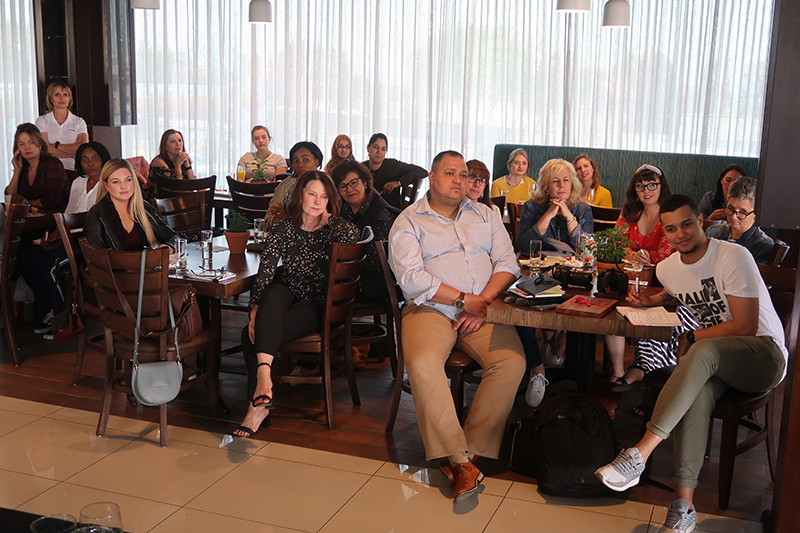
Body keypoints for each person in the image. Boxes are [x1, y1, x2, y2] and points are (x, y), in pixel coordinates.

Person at [595, 195, 787, 533]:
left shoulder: (732, 255)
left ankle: (639, 454)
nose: (680, 233)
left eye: (687, 224)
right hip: (719, 363)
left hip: (763, 355)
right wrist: (651, 299)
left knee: (700, 349)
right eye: (671, 229)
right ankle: (684, 507)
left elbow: (745, 325)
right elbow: (678, 290)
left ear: (701, 221)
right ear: (664, 233)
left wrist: (694, 336)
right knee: (696, 394)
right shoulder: (668, 269)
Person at [389, 150, 526, 502]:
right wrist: (464, 300)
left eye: (463, 174)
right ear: (432, 178)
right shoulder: (408, 221)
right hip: (430, 310)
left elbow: (508, 263)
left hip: (482, 309)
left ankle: (465, 456)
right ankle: (460, 460)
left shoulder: (485, 214)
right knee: (422, 362)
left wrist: (481, 302)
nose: (459, 180)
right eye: (450, 173)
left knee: (512, 362)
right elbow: (411, 278)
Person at [232, 171, 359, 438]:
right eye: (312, 194)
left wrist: (328, 219)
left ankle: (257, 405)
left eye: (324, 197)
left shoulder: (332, 229)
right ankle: (264, 384)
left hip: (317, 303)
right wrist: (254, 309)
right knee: (272, 291)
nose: (317, 201)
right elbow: (266, 271)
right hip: (287, 294)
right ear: (300, 194)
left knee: (248, 337)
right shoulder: (282, 229)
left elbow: (353, 233)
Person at [465, 158, 547, 407]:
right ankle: (466, 378)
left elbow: (504, 254)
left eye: (482, 180)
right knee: (513, 309)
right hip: (465, 289)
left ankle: (538, 370)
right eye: (472, 178)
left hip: (492, 281)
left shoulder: (489, 212)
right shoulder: (449, 211)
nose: (477, 184)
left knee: (518, 306)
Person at [605, 164, 675, 386]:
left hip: (662, 286)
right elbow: (615, 243)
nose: (646, 190)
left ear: (661, 186)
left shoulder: (669, 217)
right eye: (640, 186)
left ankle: (644, 369)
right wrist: (632, 253)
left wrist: (639, 255)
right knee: (611, 308)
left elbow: (664, 254)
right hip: (629, 281)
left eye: (652, 184)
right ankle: (617, 370)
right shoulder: (630, 214)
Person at [330, 159, 400, 300]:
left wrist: (338, 263)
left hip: (375, 282)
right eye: (343, 186)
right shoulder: (345, 207)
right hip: (352, 273)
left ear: (365, 182)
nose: (349, 189)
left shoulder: (381, 213)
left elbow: (372, 261)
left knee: (322, 289)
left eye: (354, 182)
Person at [84, 159, 178, 251]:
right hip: (116, 262)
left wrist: (169, 247)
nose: (124, 186)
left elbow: (173, 237)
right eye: (116, 182)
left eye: (128, 180)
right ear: (106, 185)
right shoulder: (96, 214)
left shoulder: (143, 207)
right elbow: (96, 256)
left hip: (146, 261)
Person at [516, 158, 594, 254]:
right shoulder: (531, 206)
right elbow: (523, 245)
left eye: (566, 180)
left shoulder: (583, 209)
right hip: (540, 261)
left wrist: (569, 217)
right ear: (546, 187)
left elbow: (587, 249)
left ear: (571, 185)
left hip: (572, 262)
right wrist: (548, 215)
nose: (561, 185)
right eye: (555, 181)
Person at [706, 177, 774, 264]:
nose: (734, 216)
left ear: (756, 213)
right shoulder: (712, 232)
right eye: (731, 208)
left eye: (742, 212)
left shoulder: (763, 246)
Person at [6, 123, 70, 212]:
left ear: (40, 145)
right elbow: (10, 198)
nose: (27, 147)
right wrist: (17, 171)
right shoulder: (23, 167)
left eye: (31, 142)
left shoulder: (53, 164)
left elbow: (50, 202)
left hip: (53, 217)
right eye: (21, 144)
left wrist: (23, 204)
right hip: (27, 217)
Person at [265, 141, 324, 227]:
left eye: (305, 160)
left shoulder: (326, 184)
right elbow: (270, 217)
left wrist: (287, 221)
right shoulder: (285, 185)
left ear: (316, 162)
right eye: (296, 161)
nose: (300, 165)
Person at [362, 133, 427, 210]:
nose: (379, 152)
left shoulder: (393, 165)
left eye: (383, 149)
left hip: (391, 212)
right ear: (368, 148)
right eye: (376, 147)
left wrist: (398, 182)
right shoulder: (361, 168)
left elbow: (422, 172)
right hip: (367, 211)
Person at [34, 81, 89, 173]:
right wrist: (73, 154)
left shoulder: (79, 122)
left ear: (69, 98)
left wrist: (56, 146)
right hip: (48, 169)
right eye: (57, 94)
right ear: (50, 99)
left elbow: (83, 148)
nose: (62, 98)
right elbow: (44, 149)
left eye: (65, 95)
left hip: (72, 169)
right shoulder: (42, 121)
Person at [65, 142, 112, 214]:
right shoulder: (78, 182)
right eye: (85, 160)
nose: (90, 163)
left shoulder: (111, 184)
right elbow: (69, 212)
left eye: (95, 159)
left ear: (103, 160)